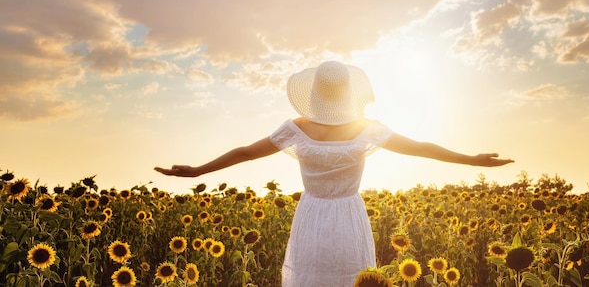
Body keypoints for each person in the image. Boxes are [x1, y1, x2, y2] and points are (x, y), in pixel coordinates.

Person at [154, 61, 514, 286]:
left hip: (312, 214)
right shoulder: (367, 127)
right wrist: (471, 160)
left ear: (315, 93)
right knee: (352, 278)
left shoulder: (295, 128)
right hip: (348, 215)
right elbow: (421, 147)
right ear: (348, 94)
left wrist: (197, 171)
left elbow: (246, 153)